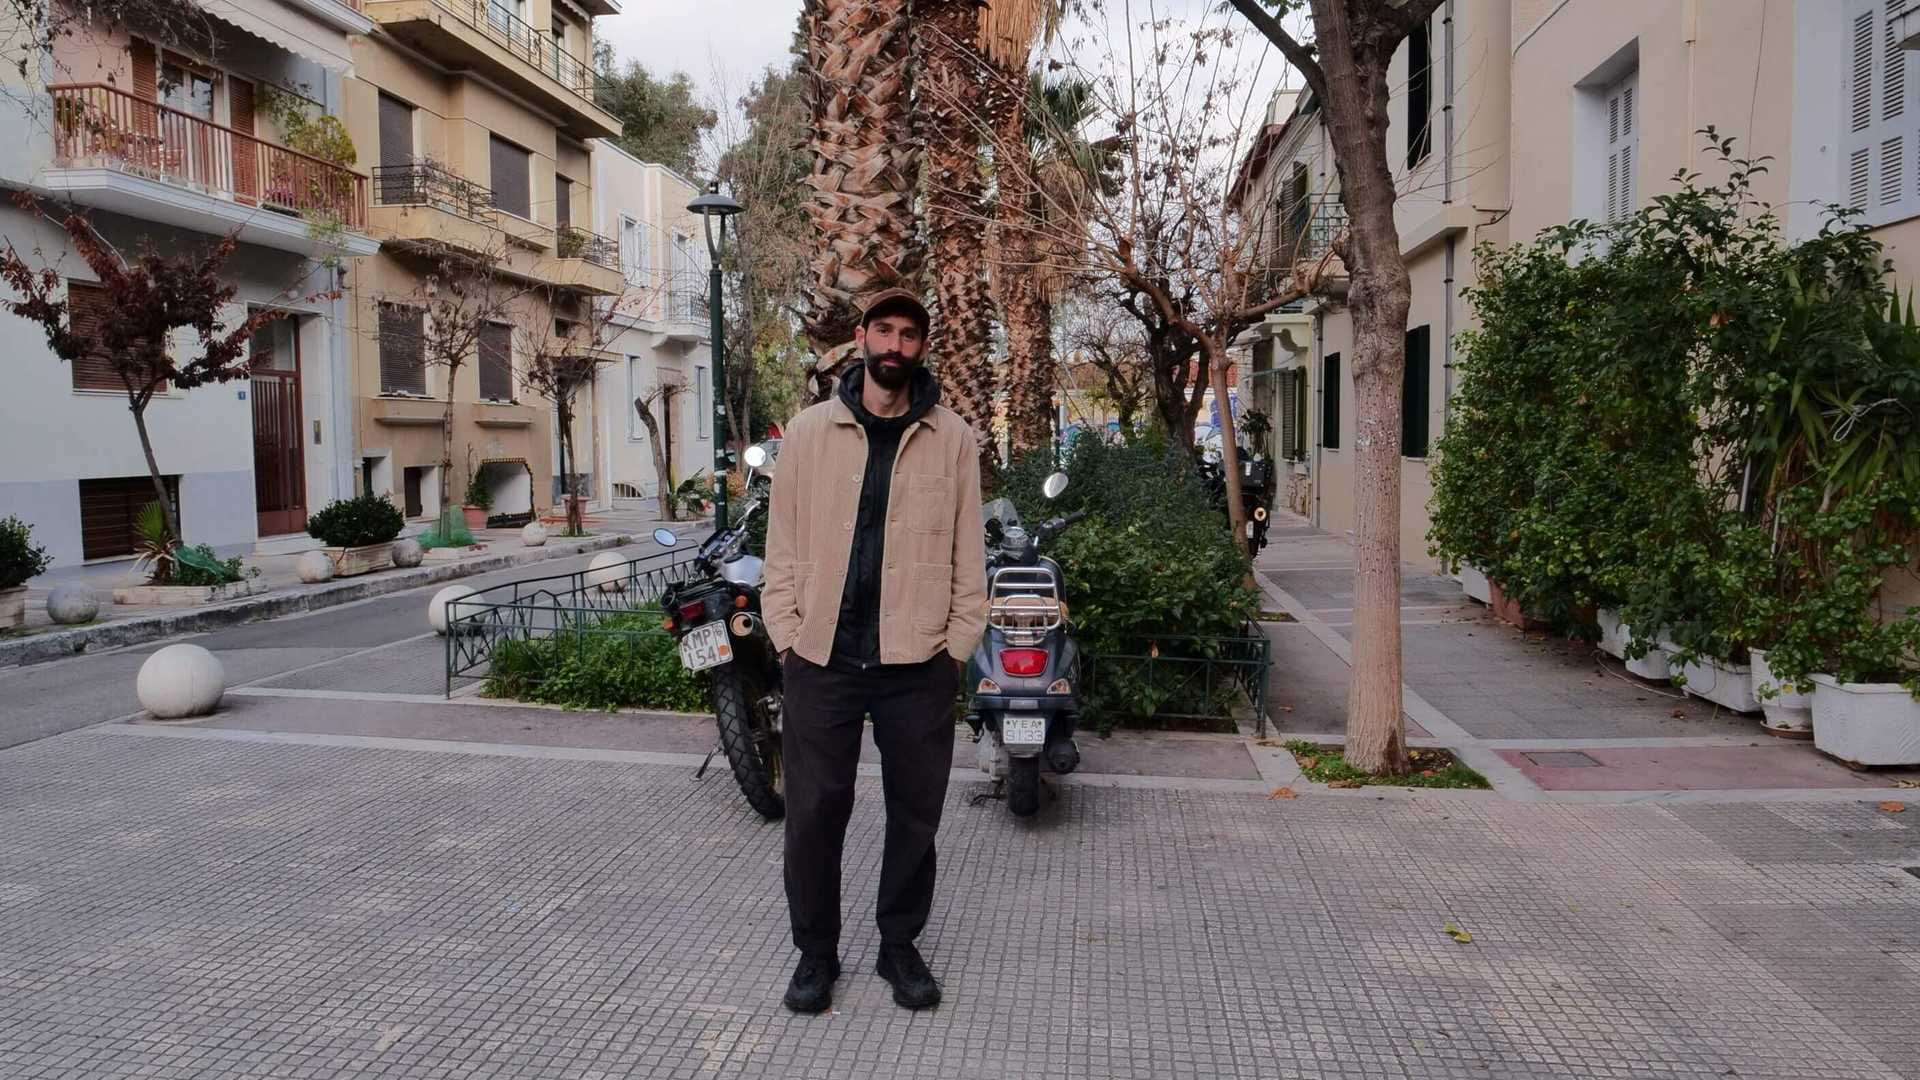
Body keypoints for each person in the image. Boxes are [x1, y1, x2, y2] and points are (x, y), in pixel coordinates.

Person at [761, 288, 988, 1014]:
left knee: (914, 811)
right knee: (816, 810)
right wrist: (787, 634)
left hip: (917, 661)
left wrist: (956, 646)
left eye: (909, 334)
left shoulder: (950, 437)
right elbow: (783, 545)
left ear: (923, 347)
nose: (894, 345)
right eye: (883, 330)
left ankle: (898, 945)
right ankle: (816, 954)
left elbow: (968, 553)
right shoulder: (807, 433)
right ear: (860, 337)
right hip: (821, 655)